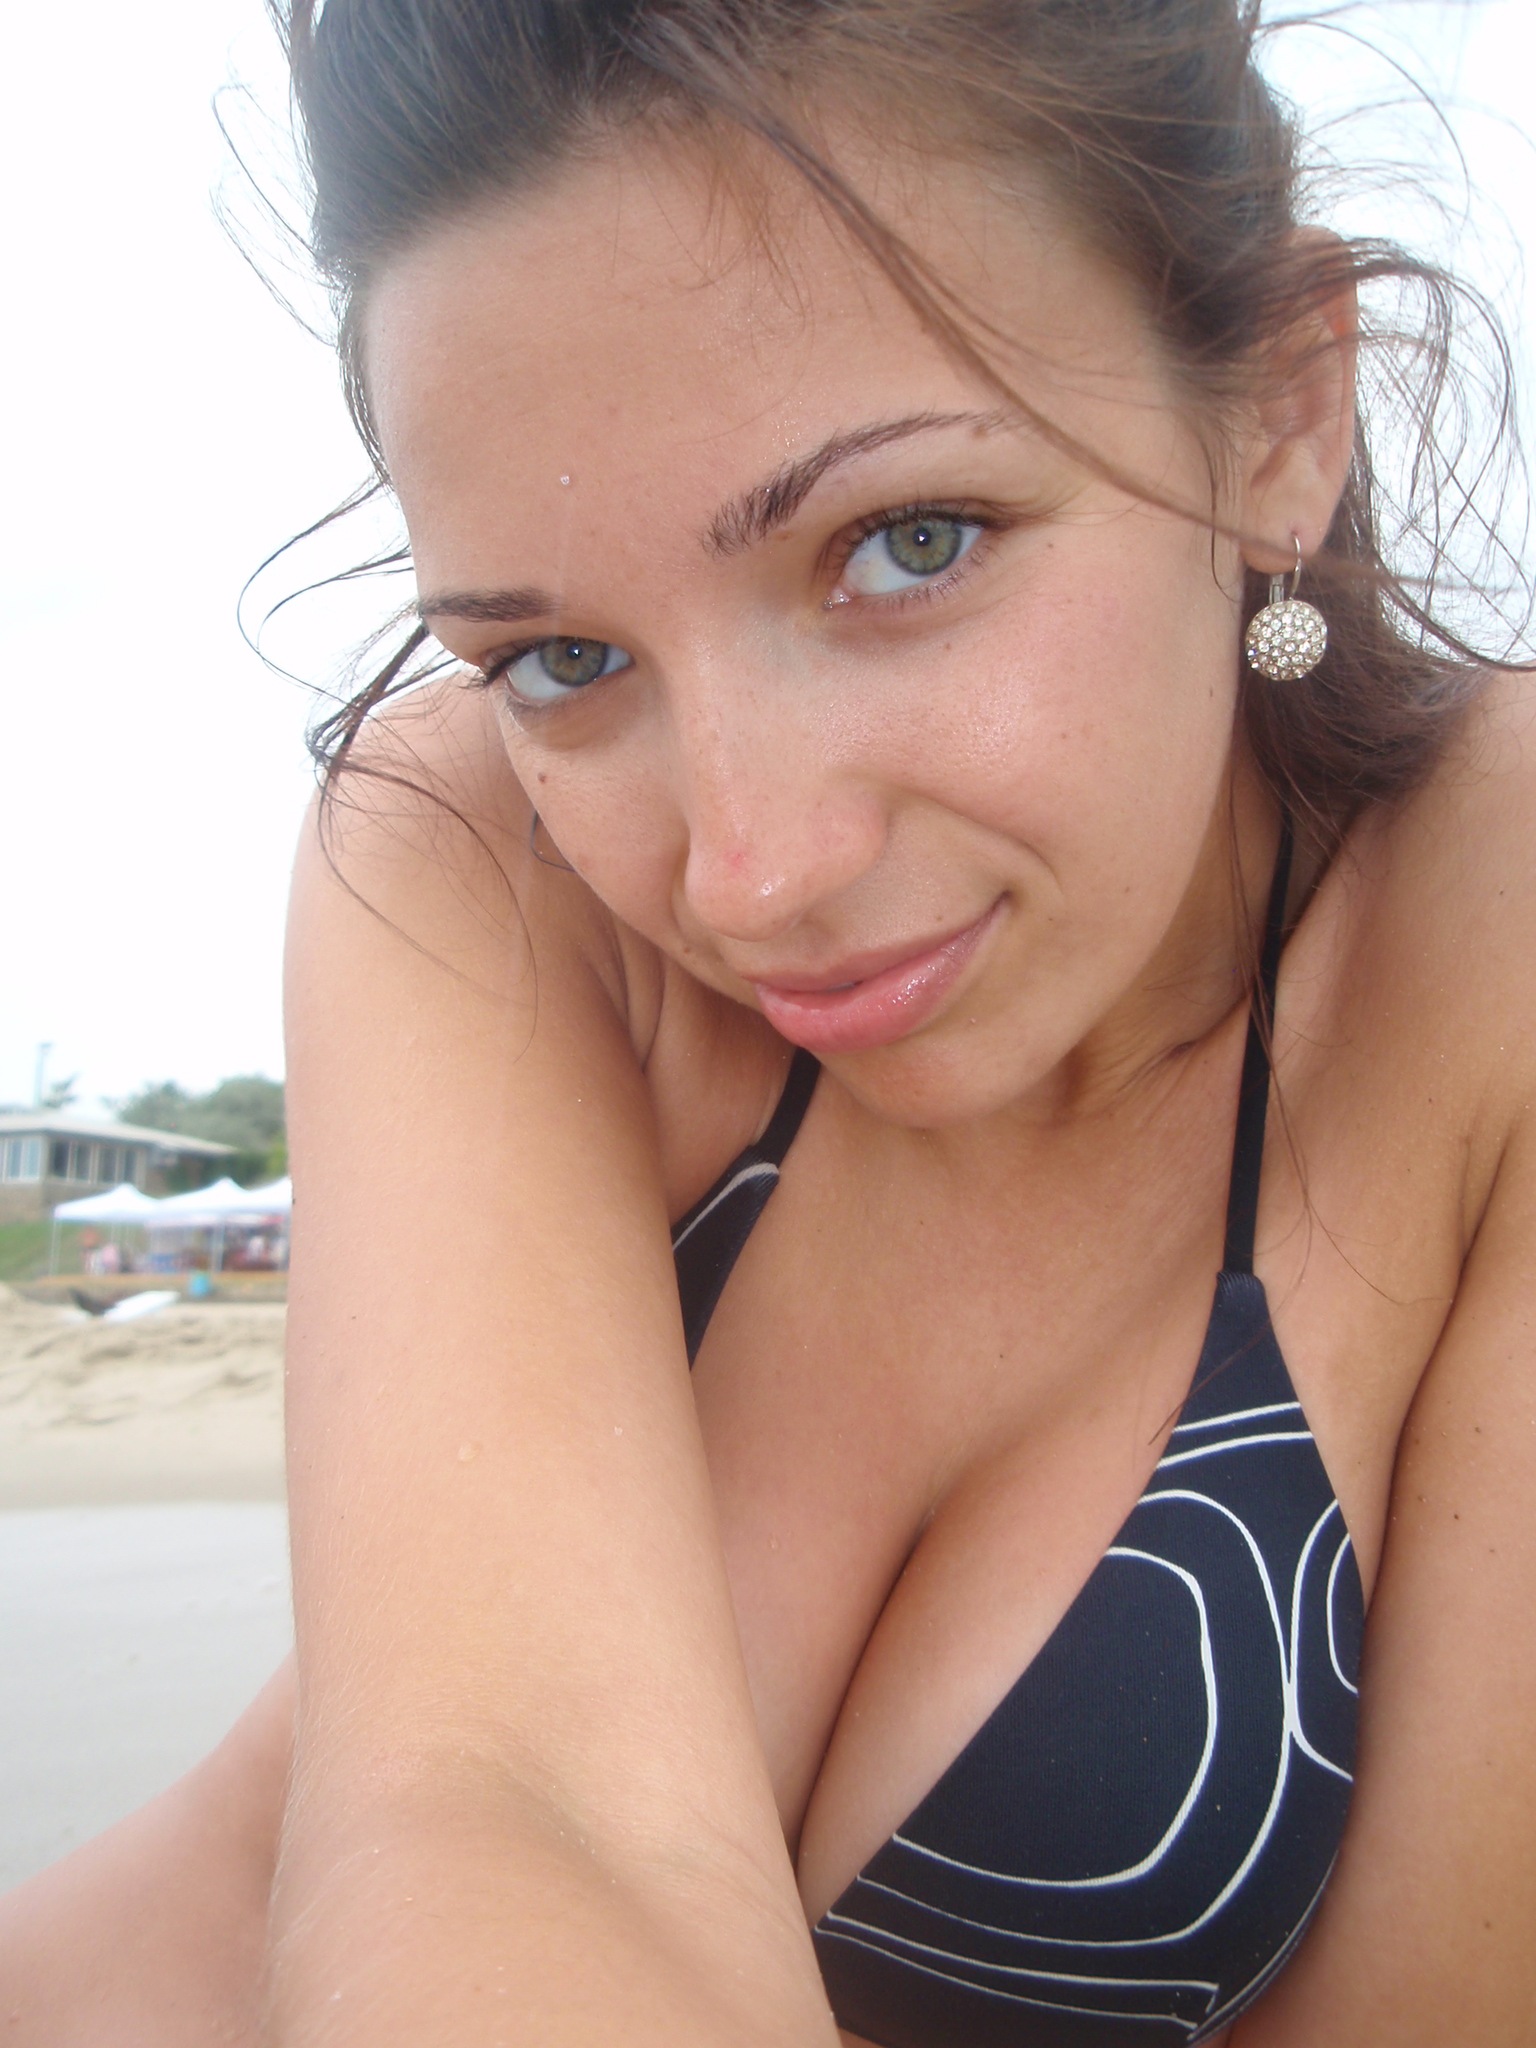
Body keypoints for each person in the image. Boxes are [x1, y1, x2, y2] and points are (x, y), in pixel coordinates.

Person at [2, 2, 1533, 2042]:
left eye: (909, 545)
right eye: (561, 660)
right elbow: (510, 1810)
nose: (749, 876)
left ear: (1279, 414)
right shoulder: (471, 852)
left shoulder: (1486, 939)